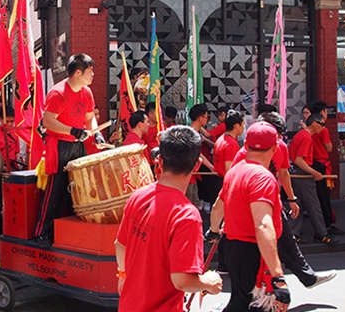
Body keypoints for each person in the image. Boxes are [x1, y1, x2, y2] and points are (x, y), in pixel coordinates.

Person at [218, 112, 337, 290]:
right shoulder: (267, 152)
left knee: (276, 243)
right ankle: (280, 281)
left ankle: (298, 279)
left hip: (253, 203)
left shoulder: (250, 150)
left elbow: (282, 172)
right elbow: (281, 173)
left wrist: (291, 198)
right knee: (273, 241)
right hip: (261, 203)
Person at [115, 126, 222, 311]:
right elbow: (182, 280)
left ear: (160, 160)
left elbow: (120, 244)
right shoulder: (187, 215)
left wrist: (123, 274)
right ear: (197, 165)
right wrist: (208, 283)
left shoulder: (138, 196)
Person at [210, 122, 290, 311]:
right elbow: (263, 225)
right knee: (255, 304)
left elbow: (216, 208)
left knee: (240, 301)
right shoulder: (263, 178)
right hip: (252, 250)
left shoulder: (235, 172)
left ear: (245, 146)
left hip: (233, 247)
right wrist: (278, 277)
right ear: (276, 147)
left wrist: (213, 230)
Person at [33, 54, 101, 247]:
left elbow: (90, 117)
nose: (93, 75)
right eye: (90, 72)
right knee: (54, 191)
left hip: (77, 145)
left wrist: (96, 133)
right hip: (60, 145)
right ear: (78, 73)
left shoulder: (86, 92)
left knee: (77, 190)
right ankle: (42, 233)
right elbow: (48, 121)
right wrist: (72, 130)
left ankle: (69, 233)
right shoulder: (58, 92)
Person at [289, 114, 335, 245]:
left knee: (299, 205)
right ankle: (321, 234)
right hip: (303, 174)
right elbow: (299, 160)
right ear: (314, 123)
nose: (323, 127)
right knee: (313, 205)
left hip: (298, 173)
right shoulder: (306, 137)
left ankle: (293, 233)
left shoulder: (302, 135)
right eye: (322, 124)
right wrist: (314, 172)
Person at [309, 101, 343, 236]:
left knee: (319, 196)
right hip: (321, 164)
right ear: (322, 112)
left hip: (313, 163)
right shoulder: (323, 129)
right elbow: (329, 148)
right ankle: (327, 224)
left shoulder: (308, 127)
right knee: (324, 196)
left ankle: (324, 223)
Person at [188, 103, 216, 210]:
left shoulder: (195, 133)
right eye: (206, 117)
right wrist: (211, 167)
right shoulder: (192, 134)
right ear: (200, 118)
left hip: (193, 176)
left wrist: (211, 167)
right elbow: (198, 154)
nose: (207, 119)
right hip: (188, 176)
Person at [213, 110, 244, 179]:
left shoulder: (221, 139)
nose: (244, 127)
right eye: (243, 124)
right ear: (236, 126)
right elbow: (229, 169)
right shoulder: (230, 144)